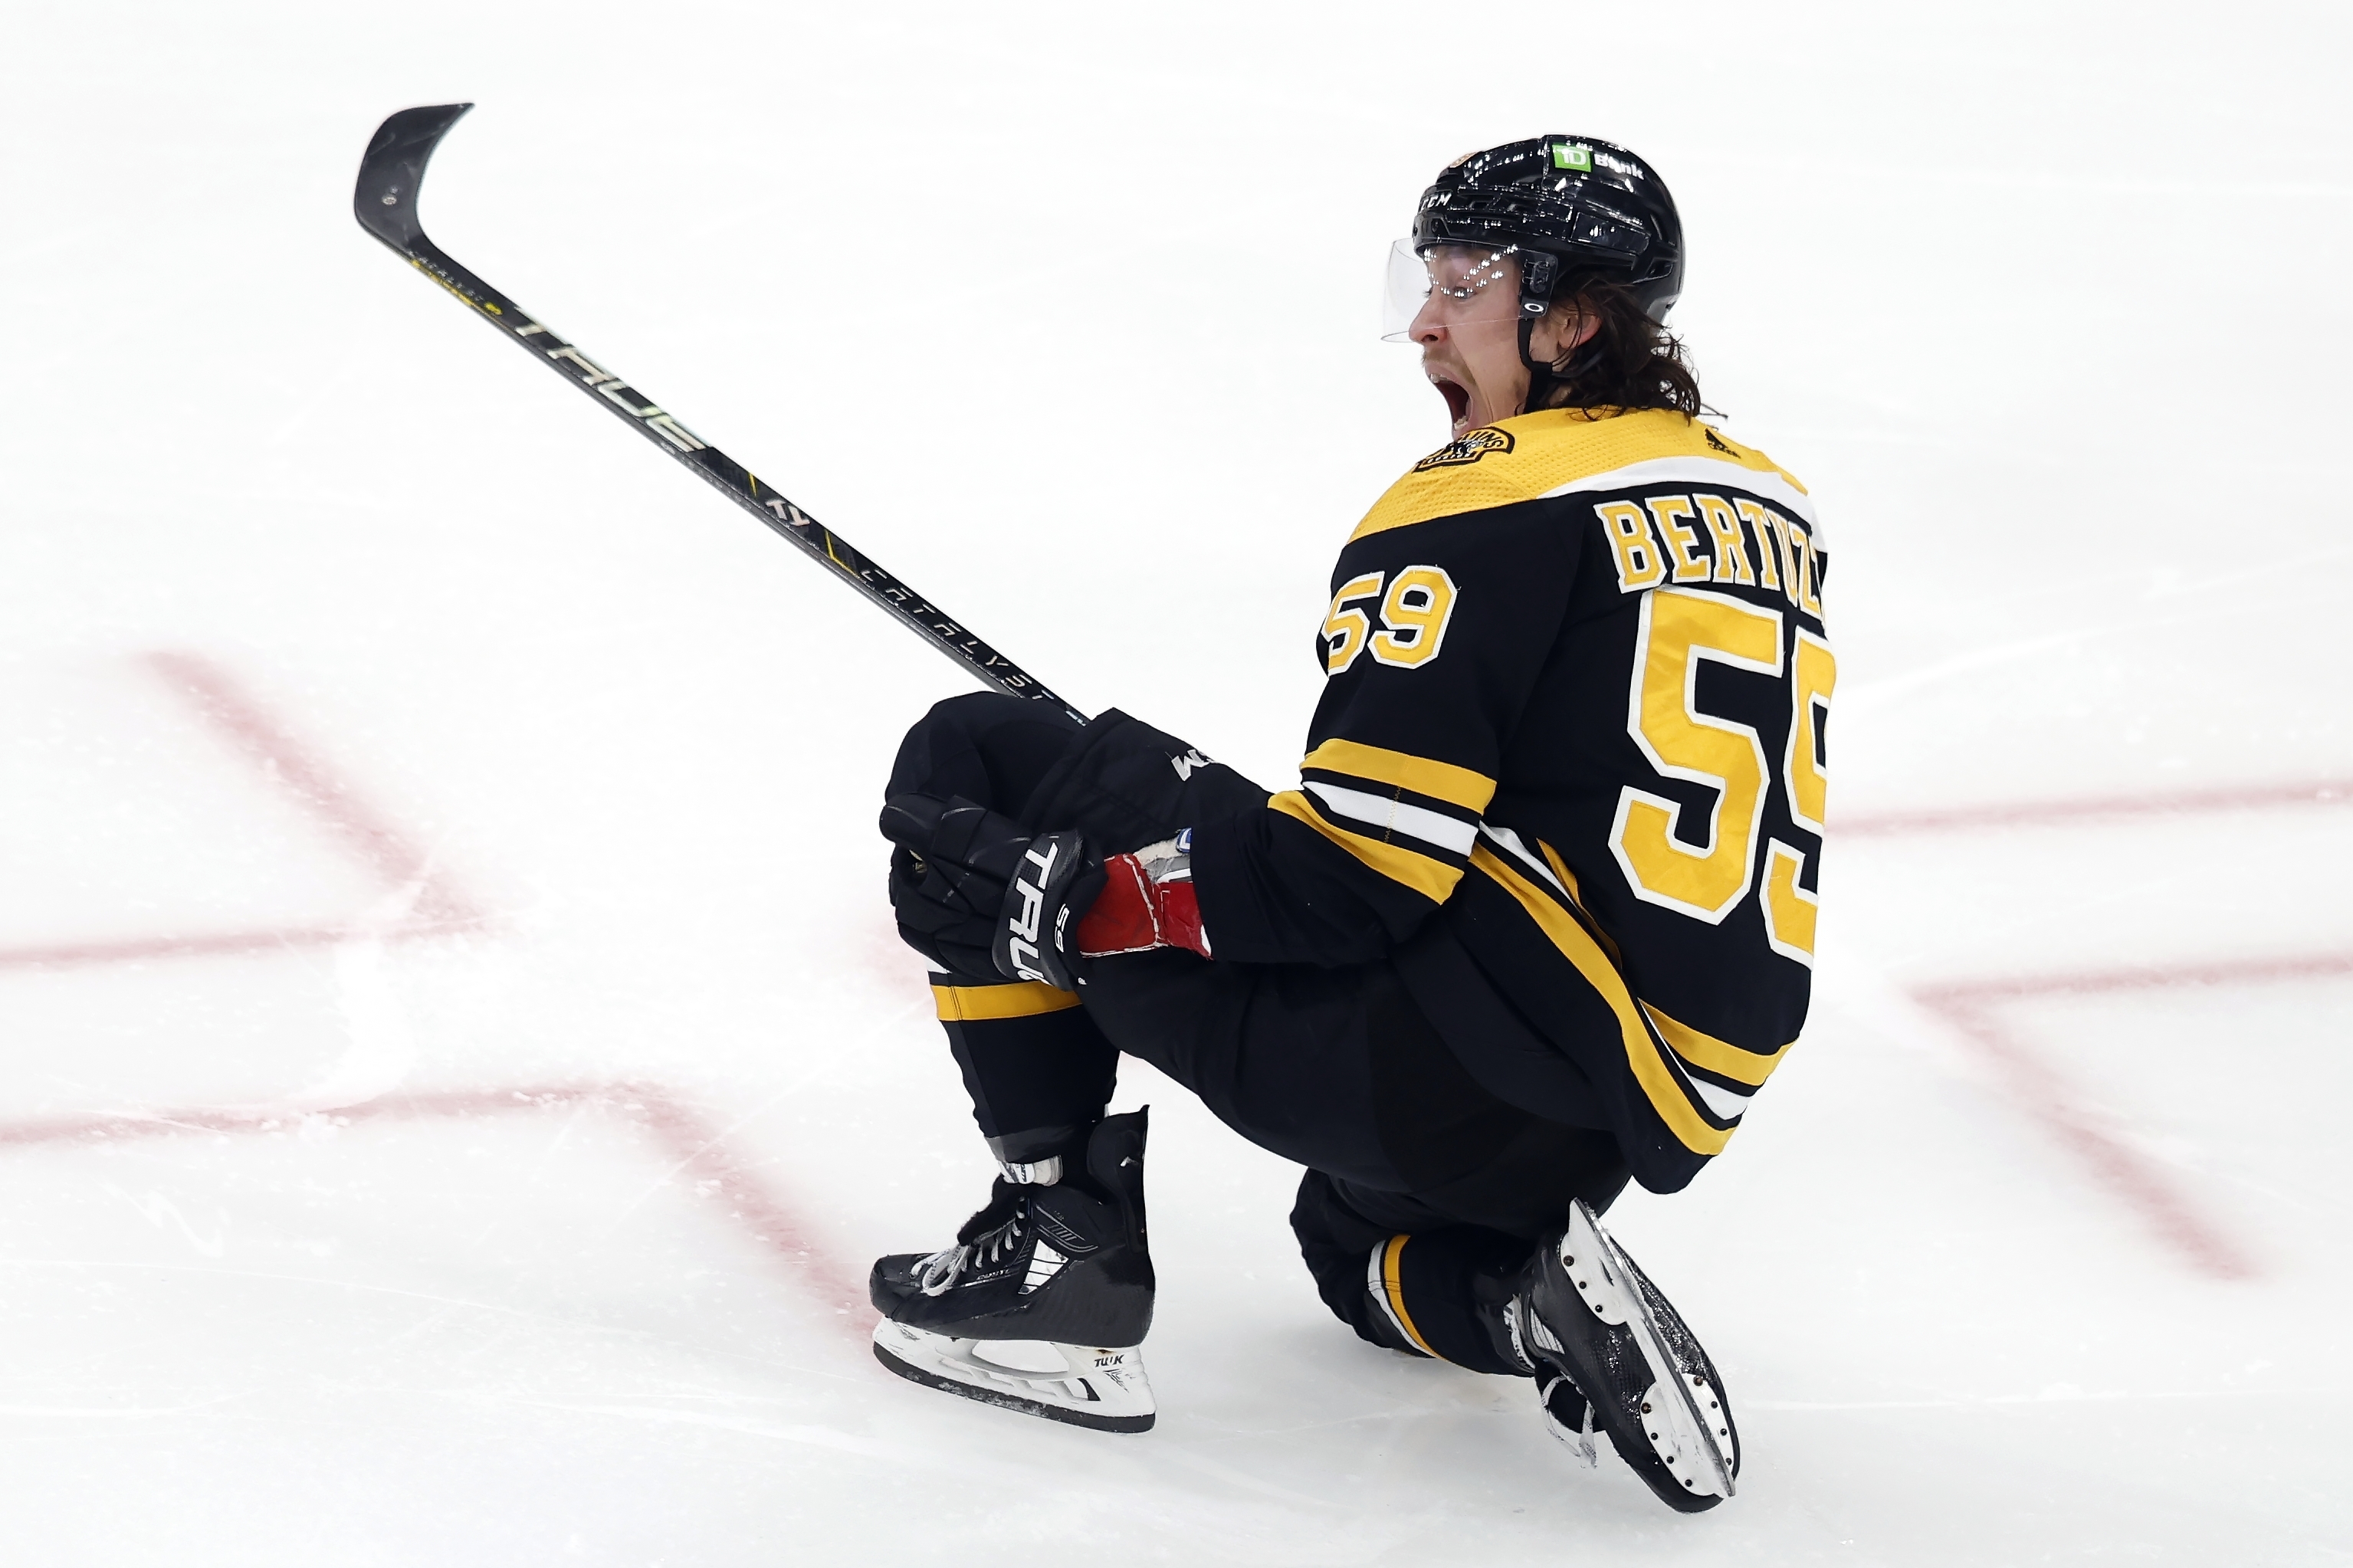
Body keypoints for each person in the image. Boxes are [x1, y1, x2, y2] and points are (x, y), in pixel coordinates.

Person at [867, 135, 1832, 1513]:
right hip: (1604, 1122)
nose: (1426, 321)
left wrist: (1069, 897)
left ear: (1568, 318)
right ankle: (1516, 1306)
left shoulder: (1483, 497)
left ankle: (1054, 1257)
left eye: (1464, 283)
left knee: (980, 764)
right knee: (1353, 1253)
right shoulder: (1765, 500)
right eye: (1423, 280)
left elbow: (1346, 882)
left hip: (1436, 1059)